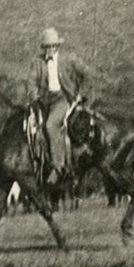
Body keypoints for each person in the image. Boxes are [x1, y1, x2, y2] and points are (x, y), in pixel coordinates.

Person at [27, 27, 88, 181]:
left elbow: (86, 74)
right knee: (31, 127)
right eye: (47, 46)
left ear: (57, 47)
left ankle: (58, 166)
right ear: (44, 48)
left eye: (53, 46)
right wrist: (33, 96)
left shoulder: (69, 59)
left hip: (62, 99)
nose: (50, 49)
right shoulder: (38, 63)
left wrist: (81, 93)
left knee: (51, 125)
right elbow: (31, 81)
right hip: (44, 100)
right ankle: (37, 165)